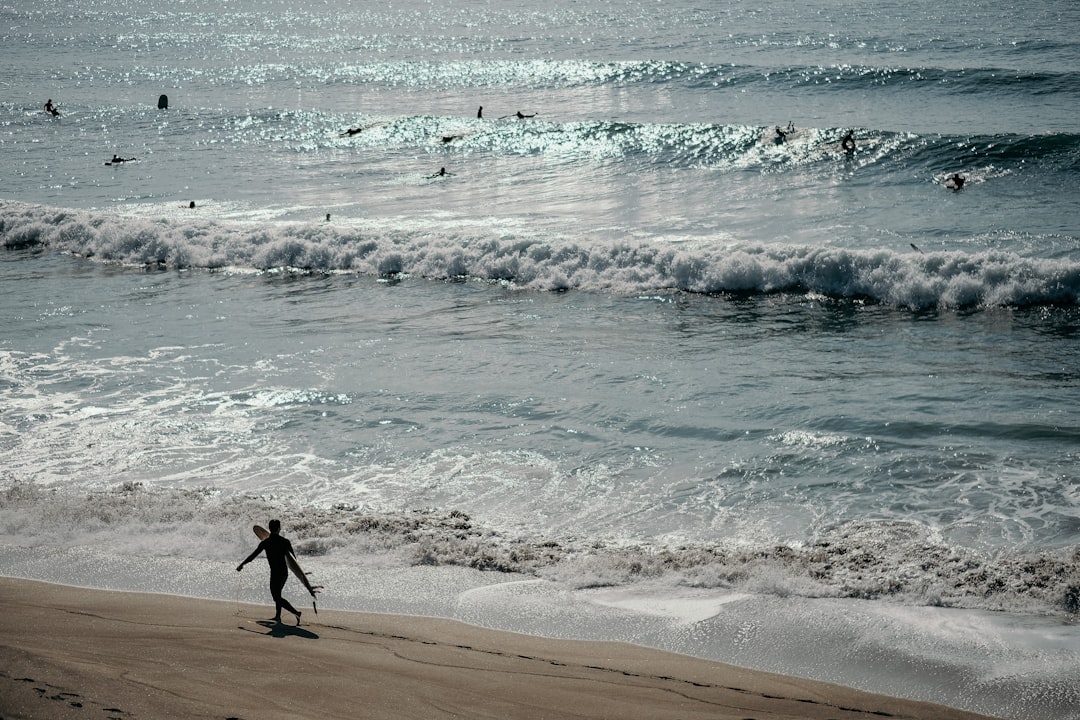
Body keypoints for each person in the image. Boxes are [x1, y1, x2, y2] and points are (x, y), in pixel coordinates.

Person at [237, 519, 303, 625]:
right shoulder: (285, 542)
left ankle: (296, 612)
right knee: (277, 595)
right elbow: (293, 560)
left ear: (270, 528)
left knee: (276, 596)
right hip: (283, 572)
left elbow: (253, 555)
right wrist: (300, 574)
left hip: (276, 572)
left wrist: (242, 564)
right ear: (278, 528)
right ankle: (278, 616)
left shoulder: (266, 543)